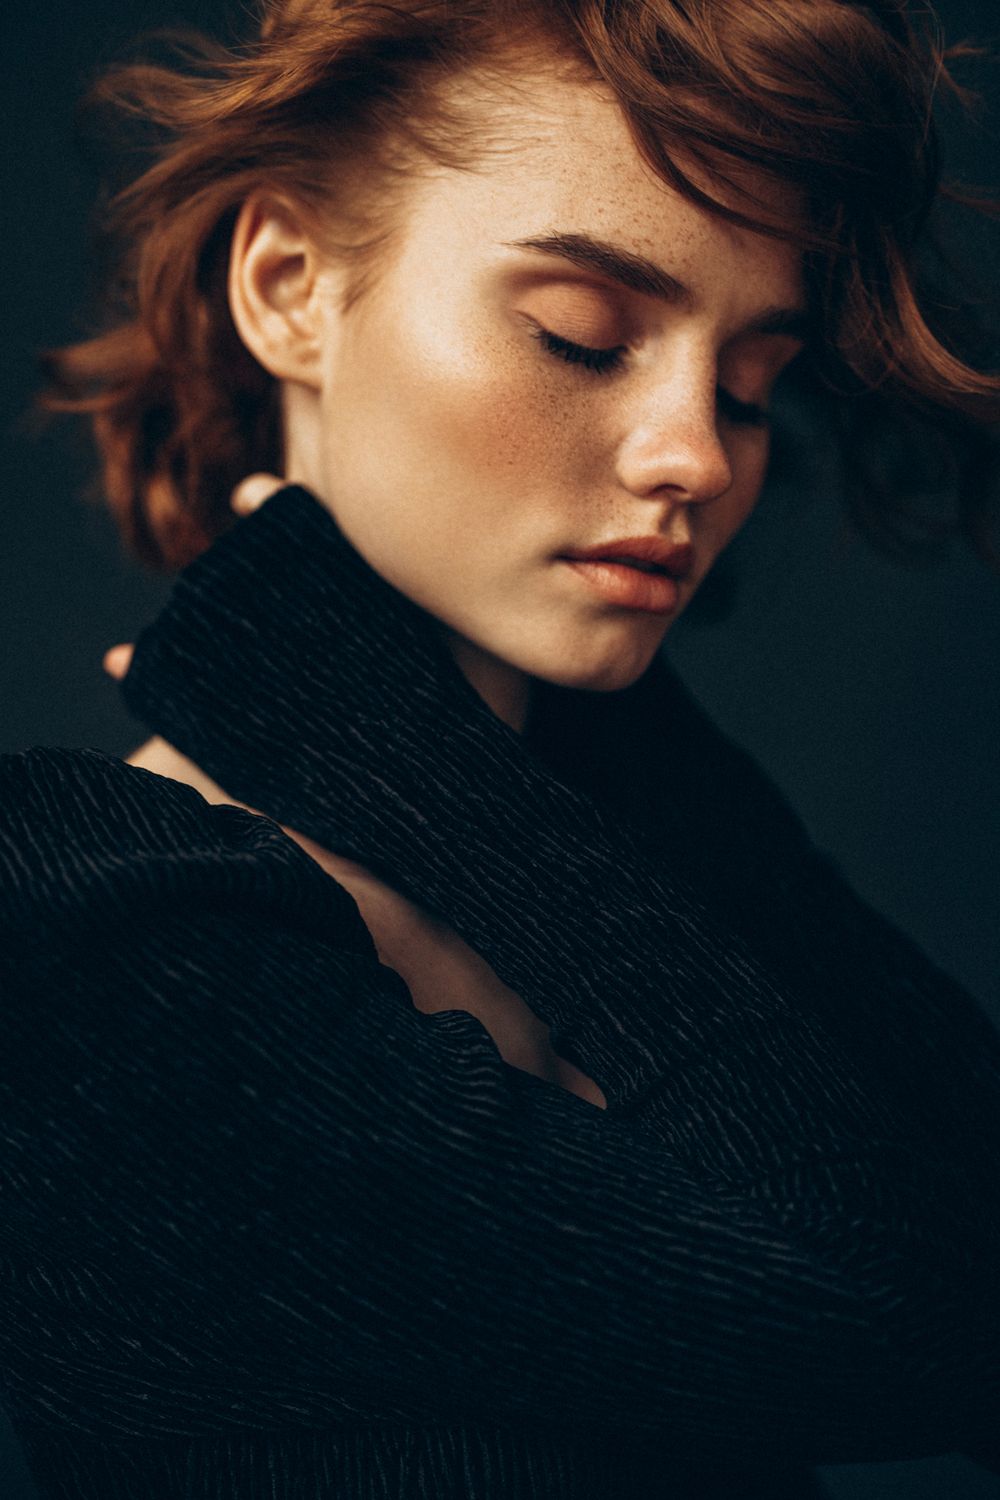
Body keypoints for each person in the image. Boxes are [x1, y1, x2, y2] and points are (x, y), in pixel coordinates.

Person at [2, 1, 999, 1497]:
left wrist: (408, 740)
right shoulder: (95, 942)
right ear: (288, 289)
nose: (701, 455)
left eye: (746, 381)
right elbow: (900, 1317)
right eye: (580, 338)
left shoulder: (633, 826)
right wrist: (402, 747)